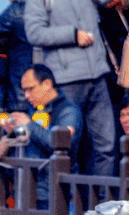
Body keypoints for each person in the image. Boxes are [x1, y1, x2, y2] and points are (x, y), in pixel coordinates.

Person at [24, 0, 117, 177]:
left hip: (97, 74)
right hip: (67, 79)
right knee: (69, 148)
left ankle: (104, 202)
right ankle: (72, 202)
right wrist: (72, 35)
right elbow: (35, 33)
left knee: (106, 147)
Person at [3, 64, 83, 215]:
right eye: (24, 90)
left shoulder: (68, 111)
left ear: (47, 84)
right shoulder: (35, 111)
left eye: (30, 88)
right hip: (30, 187)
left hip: (53, 190)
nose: (27, 95)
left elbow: (59, 143)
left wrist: (27, 125)